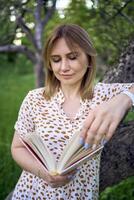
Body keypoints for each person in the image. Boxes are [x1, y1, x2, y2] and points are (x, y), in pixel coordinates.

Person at [11, 24, 134, 200]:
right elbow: (17, 147)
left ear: (88, 58)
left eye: (72, 57)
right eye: (56, 59)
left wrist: (124, 99)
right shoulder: (35, 99)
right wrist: (43, 173)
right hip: (32, 193)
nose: (64, 67)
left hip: (80, 195)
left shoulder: (105, 95)